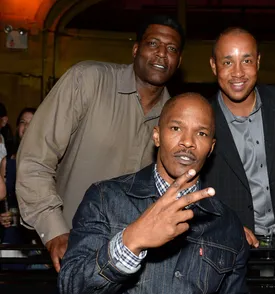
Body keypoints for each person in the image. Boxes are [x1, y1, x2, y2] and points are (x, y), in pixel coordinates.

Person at [58, 93, 252, 294]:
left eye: (201, 133)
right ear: (157, 135)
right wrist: (132, 240)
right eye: (176, 128)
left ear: (211, 147)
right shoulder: (105, 198)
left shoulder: (227, 223)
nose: (188, 142)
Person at [16, 15, 184, 272]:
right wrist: (55, 232)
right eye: (153, 44)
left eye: (171, 49)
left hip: (135, 267)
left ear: (179, 61)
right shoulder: (88, 81)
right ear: (136, 49)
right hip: (64, 253)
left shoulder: (175, 119)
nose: (162, 54)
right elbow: (35, 158)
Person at [204, 27, 275, 251]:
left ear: (257, 62)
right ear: (213, 66)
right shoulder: (202, 118)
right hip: (228, 248)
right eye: (227, 62)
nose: (238, 72)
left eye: (246, 60)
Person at [0, 108, 37, 268]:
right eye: (23, 122)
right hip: (11, 232)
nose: (26, 126)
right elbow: (2, 197)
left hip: (36, 234)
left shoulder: (47, 163)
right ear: (17, 128)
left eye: (32, 123)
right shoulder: (6, 162)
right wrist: (1, 215)